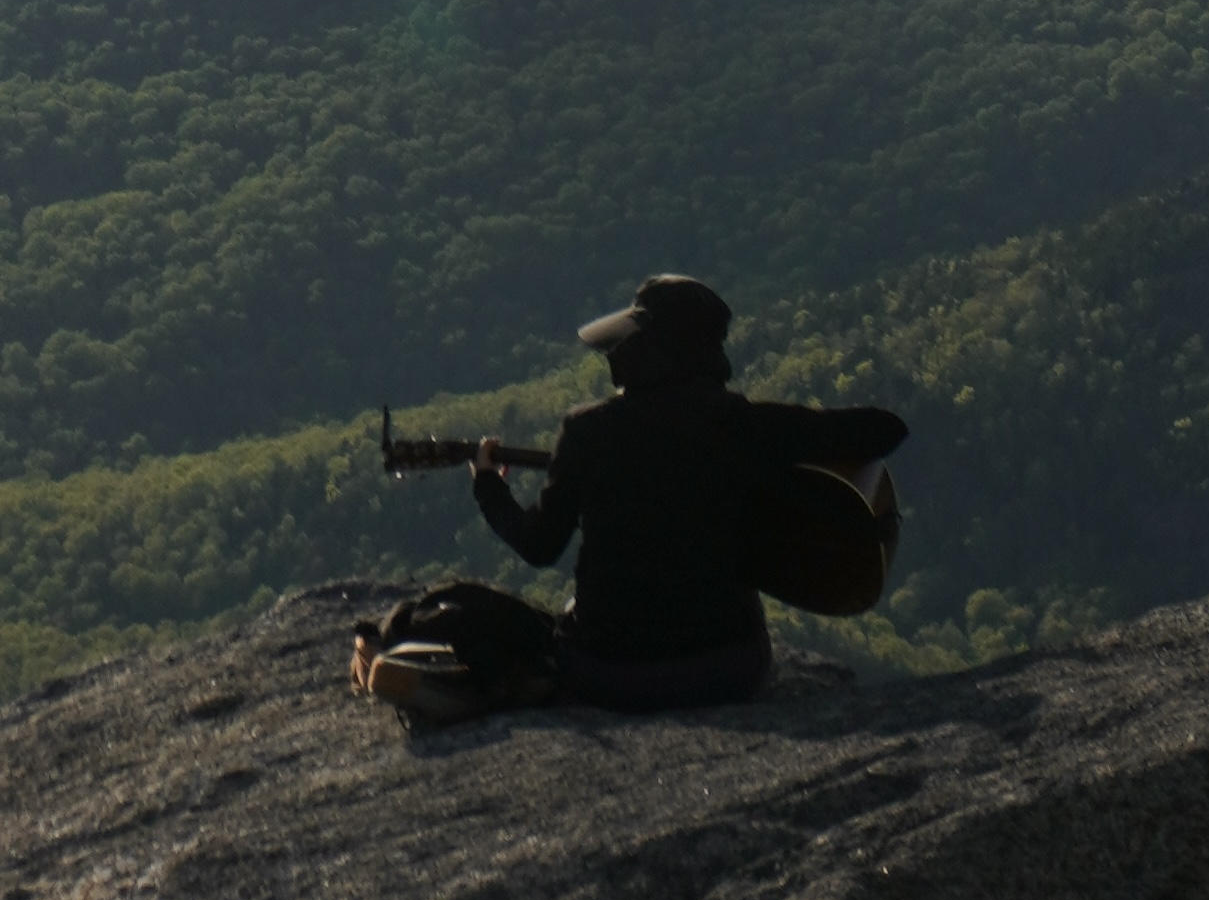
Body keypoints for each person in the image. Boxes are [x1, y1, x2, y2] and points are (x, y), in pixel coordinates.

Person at [357, 275, 907, 717]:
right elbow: (887, 430)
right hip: (729, 669)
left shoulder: (588, 430)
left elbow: (539, 546)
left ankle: (470, 675)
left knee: (486, 611)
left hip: (610, 672)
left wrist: (488, 487)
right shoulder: (743, 423)